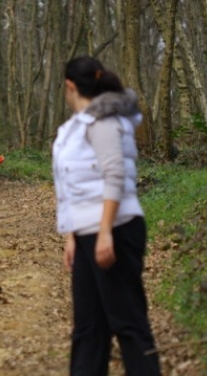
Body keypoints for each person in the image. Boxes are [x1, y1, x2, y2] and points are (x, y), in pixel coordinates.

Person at [53, 56, 161, 376]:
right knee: (88, 328)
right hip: (86, 233)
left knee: (128, 323)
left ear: (70, 86)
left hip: (117, 228)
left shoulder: (105, 121)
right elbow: (69, 185)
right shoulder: (73, 128)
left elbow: (114, 176)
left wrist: (104, 233)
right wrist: (71, 236)